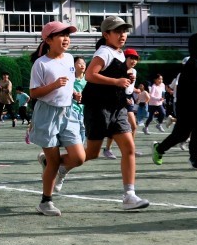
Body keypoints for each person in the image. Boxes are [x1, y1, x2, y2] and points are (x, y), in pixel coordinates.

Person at [80, 16, 149, 210]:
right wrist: (117, 81)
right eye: (118, 31)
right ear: (106, 34)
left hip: (117, 107)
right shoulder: (104, 51)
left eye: (124, 31)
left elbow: (114, 78)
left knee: (129, 148)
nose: (122, 35)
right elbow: (90, 75)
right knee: (91, 153)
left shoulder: (119, 53)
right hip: (98, 107)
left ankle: (129, 195)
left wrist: (125, 82)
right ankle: (59, 165)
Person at [151, 34, 197, 177]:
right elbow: (195, 85)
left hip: (196, 106)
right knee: (187, 135)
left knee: (190, 135)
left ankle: (160, 149)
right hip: (189, 107)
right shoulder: (194, 64)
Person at [31, 21, 85, 215]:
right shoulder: (41, 63)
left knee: (79, 158)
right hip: (47, 114)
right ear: (48, 40)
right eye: (61, 35)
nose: (66, 39)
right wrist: (53, 85)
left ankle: (49, 165)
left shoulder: (69, 59)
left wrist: (74, 94)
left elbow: (68, 84)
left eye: (67, 35)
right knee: (54, 162)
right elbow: (34, 93)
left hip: (68, 112)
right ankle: (46, 202)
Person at [104, 48, 143, 159]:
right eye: (131, 58)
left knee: (133, 126)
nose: (134, 61)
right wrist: (124, 98)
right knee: (114, 126)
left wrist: (135, 90)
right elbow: (115, 86)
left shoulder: (134, 71)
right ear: (125, 58)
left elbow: (129, 86)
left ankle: (131, 149)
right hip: (118, 99)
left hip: (128, 99)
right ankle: (107, 149)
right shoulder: (119, 70)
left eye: (136, 59)